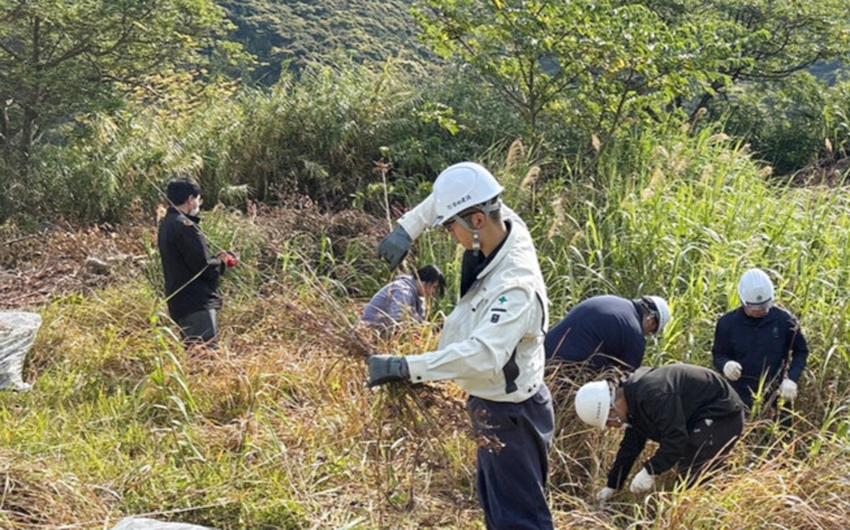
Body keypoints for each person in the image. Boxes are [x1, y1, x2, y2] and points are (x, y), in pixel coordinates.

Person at [367, 162, 554, 530]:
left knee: (520, 521)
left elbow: (484, 356)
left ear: (476, 221)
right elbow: (446, 199)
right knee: (498, 510)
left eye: (451, 225)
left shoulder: (515, 288)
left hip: (511, 415)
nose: (449, 231)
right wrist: (407, 228)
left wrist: (408, 367)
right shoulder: (499, 220)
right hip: (493, 405)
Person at [575, 363, 745, 501]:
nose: (612, 427)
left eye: (608, 422)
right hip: (698, 416)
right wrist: (613, 484)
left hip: (723, 414)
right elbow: (631, 446)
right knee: (687, 469)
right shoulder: (632, 398)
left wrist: (651, 470)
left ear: (612, 409)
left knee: (693, 474)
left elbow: (676, 438)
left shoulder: (653, 394)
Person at [711, 268, 809, 411]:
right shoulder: (728, 323)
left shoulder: (785, 320)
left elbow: (801, 352)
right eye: (752, 307)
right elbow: (718, 354)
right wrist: (726, 365)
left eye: (763, 306)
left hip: (778, 393)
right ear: (742, 300)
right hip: (740, 395)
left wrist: (792, 379)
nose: (758, 311)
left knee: (780, 432)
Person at [157, 177, 238, 348]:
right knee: (205, 359)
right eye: (198, 199)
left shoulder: (167, 224)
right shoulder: (185, 226)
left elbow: (190, 260)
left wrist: (215, 258)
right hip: (197, 303)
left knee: (195, 355)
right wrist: (224, 262)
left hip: (180, 303)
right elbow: (203, 267)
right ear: (190, 199)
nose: (198, 204)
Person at [545, 294, 670, 372]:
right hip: (563, 371)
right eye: (651, 332)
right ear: (652, 321)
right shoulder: (635, 334)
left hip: (541, 354)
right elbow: (626, 380)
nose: (646, 334)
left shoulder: (612, 300)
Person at [360, 264, 446, 331]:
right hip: (370, 331)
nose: (433, 292)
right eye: (434, 287)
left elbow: (417, 322)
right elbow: (397, 321)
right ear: (423, 282)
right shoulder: (403, 291)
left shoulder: (418, 297)